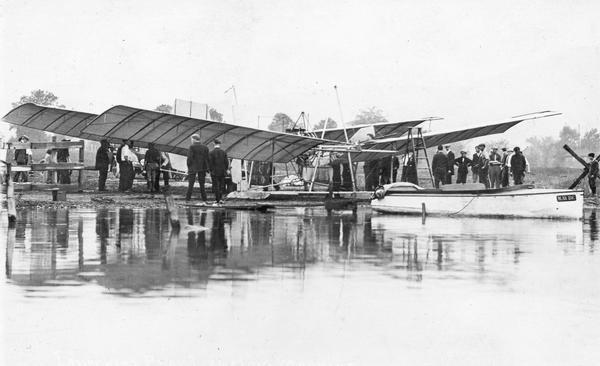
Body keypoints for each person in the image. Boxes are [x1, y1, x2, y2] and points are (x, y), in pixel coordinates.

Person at [185, 134, 210, 202]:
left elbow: (189, 158)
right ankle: (204, 199)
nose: (191, 141)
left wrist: (189, 166)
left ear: (194, 139)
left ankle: (188, 199)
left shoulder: (192, 147)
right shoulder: (205, 147)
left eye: (191, 139)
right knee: (202, 184)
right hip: (202, 168)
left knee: (191, 184)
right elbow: (207, 159)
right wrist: (207, 168)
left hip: (193, 168)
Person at [208, 139, 229, 204]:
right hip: (222, 172)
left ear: (213, 144)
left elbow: (210, 163)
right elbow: (226, 163)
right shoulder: (224, 152)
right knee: (221, 186)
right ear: (219, 144)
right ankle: (220, 199)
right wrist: (225, 170)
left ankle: (217, 200)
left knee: (216, 186)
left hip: (214, 172)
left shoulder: (211, 153)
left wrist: (210, 171)